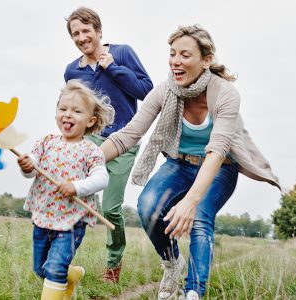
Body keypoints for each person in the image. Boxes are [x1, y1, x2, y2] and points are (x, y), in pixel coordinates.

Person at [101, 25, 281, 299]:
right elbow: (129, 134)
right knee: (148, 206)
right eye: (172, 54)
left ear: (206, 60)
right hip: (179, 164)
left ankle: (194, 291)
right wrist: (83, 160)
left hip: (220, 167)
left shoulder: (225, 94)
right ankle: (173, 263)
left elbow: (218, 150)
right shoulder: (165, 91)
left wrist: (190, 201)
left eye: (185, 55)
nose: (176, 61)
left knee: (200, 216)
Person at [64, 6, 153, 283]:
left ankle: (113, 266)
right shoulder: (71, 71)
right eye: (75, 33)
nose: (81, 37)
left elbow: (147, 91)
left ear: (98, 31)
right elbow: (72, 109)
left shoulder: (123, 53)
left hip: (124, 140)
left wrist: (112, 67)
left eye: (86, 31)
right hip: (89, 142)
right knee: (71, 198)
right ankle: (61, 260)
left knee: (111, 208)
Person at [18, 80, 115, 300]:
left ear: (91, 120)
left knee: (53, 268)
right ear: (56, 114)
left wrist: (76, 187)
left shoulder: (91, 151)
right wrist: (27, 166)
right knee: (40, 269)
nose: (68, 115)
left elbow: (102, 179)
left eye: (76, 111)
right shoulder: (45, 143)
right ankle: (71, 274)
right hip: (43, 215)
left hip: (72, 220)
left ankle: (60, 275)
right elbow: (32, 169)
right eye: (63, 109)